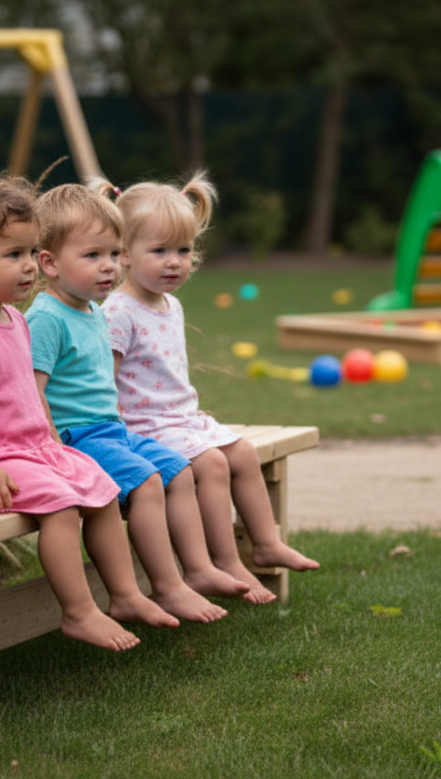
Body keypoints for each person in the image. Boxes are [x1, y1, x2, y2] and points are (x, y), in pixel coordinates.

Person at [0, 178, 179, 652]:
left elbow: (25, 395)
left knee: (102, 487)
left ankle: (125, 596)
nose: (29, 266)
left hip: (26, 450)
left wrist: (51, 443)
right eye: (13, 255)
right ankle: (79, 612)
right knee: (61, 505)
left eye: (30, 252)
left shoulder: (13, 318)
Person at [26, 183, 252, 623]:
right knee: (147, 482)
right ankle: (163, 588)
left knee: (178, 471)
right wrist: (53, 449)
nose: (109, 266)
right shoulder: (47, 318)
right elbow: (31, 392)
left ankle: (198, 570)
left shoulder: (92, 310)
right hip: (75, 437)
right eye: (93, 256)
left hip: (110, 430)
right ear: (50, 263)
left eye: (114, 254)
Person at [99, 171, 320, 600]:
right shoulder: (118, 313)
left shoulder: (171, 304)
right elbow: (105, 380)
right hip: (143, 427)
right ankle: (223, 562)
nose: (174, 262)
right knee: (214, 464)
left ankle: (266, 544)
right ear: (124, 253)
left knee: (243, 452)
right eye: (160, 251)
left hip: (179, 419)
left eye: (183, 250)